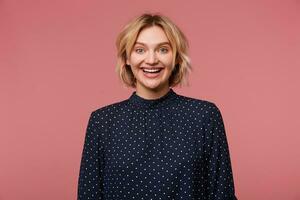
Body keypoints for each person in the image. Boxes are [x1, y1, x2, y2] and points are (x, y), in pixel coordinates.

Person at [78, 13, 238, 200]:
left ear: (177, 58)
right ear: (127, 58)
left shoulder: (204, 116)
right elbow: (88, 196)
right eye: (140, 50)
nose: (152, 60)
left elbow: (222, 194)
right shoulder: (102, 121)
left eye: (163, 50)